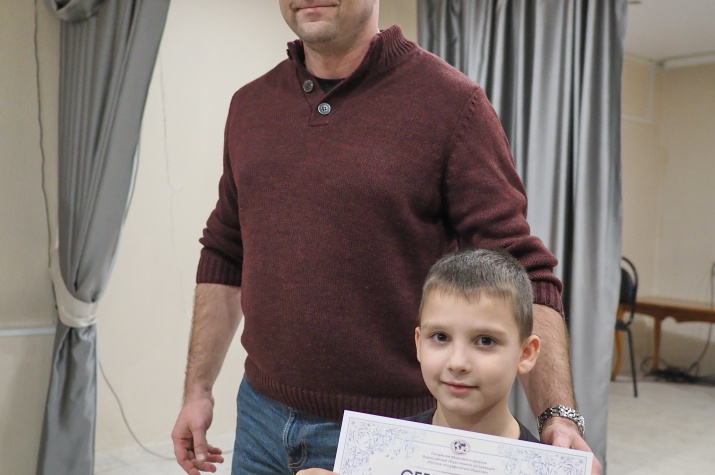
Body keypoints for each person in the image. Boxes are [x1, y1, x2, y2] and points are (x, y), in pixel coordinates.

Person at [171, 1, 602, 474]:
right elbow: (225, 251)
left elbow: (522, 270)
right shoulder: (249, 105)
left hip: (392, 433)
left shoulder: (452, 105)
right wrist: (198, 390)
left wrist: (558, 415)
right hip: (259, 417)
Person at [297, 248, 543, 475]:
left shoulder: (544, 468)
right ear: (419, 344)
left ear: (525, 353)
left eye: (485, 341)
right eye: (440, 337)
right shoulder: (379, 456)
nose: (457, 363)